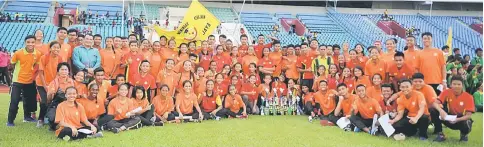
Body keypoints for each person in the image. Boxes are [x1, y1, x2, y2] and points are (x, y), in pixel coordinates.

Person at [7, 35, 42, 126]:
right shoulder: (18, 53)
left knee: (28, 101)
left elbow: (36, 67)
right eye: (28, 42)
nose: (30, 44)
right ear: (25, 42)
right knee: (14, 101)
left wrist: (32, 77)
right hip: (17, 81)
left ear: (35, 43)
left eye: (32, 42)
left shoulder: (38, 54)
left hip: (29, 81)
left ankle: (27, 117)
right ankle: (10, 121)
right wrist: (13, 76)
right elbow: (11, 65)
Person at [433, 76, 475, 142]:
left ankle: (464, 134)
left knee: (467, 122)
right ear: (450, 85)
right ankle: (440, 134)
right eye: (454, 84)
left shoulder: (469, 97)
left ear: (462, 85)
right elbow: (434, 103)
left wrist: (457, 119)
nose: (456, 86)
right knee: (434, 110)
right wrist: (441, 111)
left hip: (460, 119)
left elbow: (468, 115)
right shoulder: (446, 92)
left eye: (459, 84)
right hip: (448, 116)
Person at [36, 41, 64, 127]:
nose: (56, 49)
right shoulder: (44, 57)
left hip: (53, 83)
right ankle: (40, 119)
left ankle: (48, 117)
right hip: (42, 83)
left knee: (52, 101)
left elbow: (59, 73)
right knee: (44, 101)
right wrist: (45, 86)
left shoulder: (60, 58)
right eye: (54, 47)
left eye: (58, 47)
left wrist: (54, 85)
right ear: (50, 48)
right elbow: (40, 73)